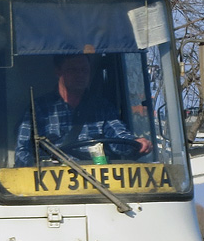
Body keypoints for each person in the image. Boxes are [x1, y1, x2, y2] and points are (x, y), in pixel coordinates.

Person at [15, 54, 152, 166]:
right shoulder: (39, 108)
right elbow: (22, 151)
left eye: (84, 70)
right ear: (58, 72)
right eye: (73, 70)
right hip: (54, 185)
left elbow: (119, 138)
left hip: (97, 183)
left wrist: (137, 143)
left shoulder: (102, 107)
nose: (80, 75)